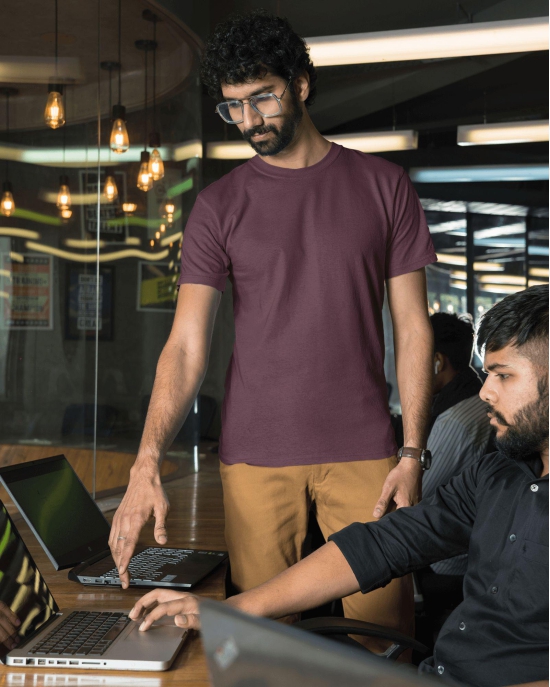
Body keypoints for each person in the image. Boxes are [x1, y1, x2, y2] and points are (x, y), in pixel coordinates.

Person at [110, 11, 437, 647]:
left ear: (302, 84)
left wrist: (413, 450)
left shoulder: (384, 186)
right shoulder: (218, 206)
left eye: (264, 96)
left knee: (381, 643)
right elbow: (185, 345)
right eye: (233, 107)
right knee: (265, 640)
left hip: (368, 450)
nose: (250, 120)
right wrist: (145, 461)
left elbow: (413, 330)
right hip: (255, 454)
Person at [130, 285, 549, 687]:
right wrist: (230, 611)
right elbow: (383, 544)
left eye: (504, 376)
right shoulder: (497, 473)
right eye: (487, 373)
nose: (485, 392)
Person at [417, 313, 493, 618]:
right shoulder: (477, 397)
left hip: (448, 561)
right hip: (475, 546)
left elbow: (416, 493)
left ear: (437, 360)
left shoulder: (455, 420)